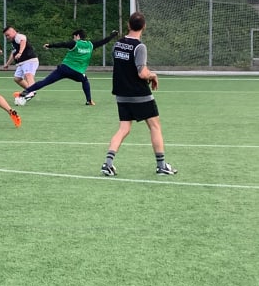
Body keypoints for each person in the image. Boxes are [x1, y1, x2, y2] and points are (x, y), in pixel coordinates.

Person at [101, 11, 177, 177]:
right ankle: (161, 165)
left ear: (128, 25)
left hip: (121, 93)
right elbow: (142, 73)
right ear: (144, 27)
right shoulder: (139, 47)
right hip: (139, 94)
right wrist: (153, 75)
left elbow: (124, 66)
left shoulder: (117, 44)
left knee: (124, 128)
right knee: (155, 126)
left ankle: (108, 163)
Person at [16, 28, 119, 105]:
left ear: (77, 36)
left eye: (74, 37)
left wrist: (50, 45)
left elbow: (63, 44)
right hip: (77, 72)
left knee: (45, 82)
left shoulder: (75, 43)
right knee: (85, 80)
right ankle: (89, 100)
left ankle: (26, 91)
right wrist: (113, 35)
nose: (73, 39)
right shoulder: (91, 45)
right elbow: (104, 41)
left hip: (64, 69)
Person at [2, 26, 39, 94]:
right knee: (17, 78)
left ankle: (31, 91)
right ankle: (30, 90)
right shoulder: (14, 42)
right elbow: (13, 54)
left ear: (13, 32)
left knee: (28, 75)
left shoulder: (18, 36)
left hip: (29, 61)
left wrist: (20, 53)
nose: (7, 37)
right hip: (22, 63)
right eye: (6, 36)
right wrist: (7, 64)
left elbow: (23, 41)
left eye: (8, 35)